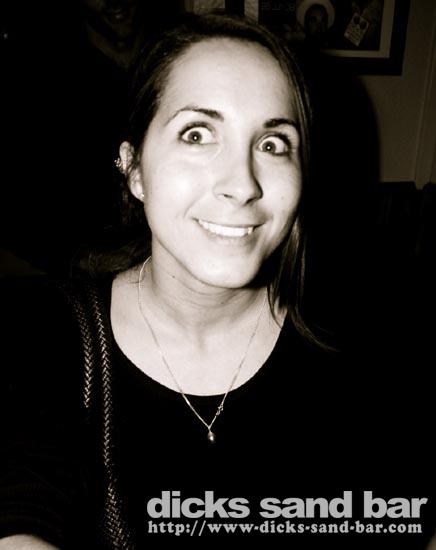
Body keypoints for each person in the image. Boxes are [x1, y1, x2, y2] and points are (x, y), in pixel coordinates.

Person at [0, 13, 434, 550]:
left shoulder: (368, 344)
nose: (242, 184)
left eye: (273, 144)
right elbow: (18, 514)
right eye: (198, 134)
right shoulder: (42, 335)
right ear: (134, 167)